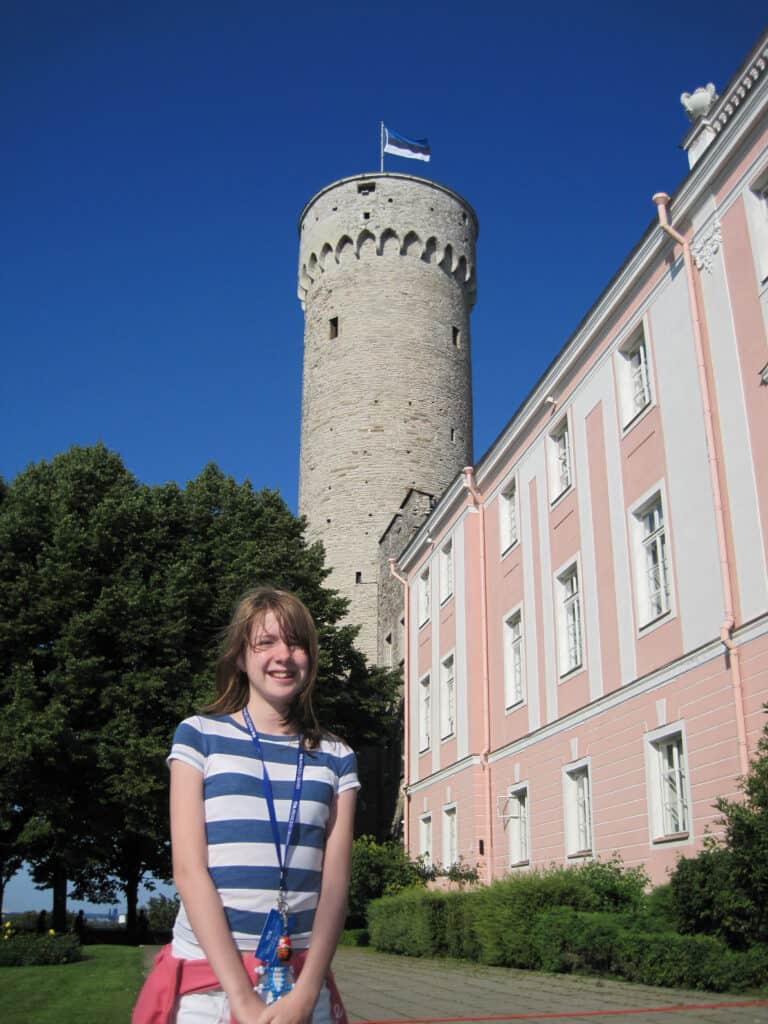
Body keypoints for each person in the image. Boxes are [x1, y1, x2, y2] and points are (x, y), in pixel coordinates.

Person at [133, 587, 359, 1024]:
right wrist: (240, 996)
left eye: (296, 643)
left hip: (299, 983)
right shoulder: (198, 736)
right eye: (266, 642)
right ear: (240, 656)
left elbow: (334, 886)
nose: (284, 655)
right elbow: (189, 870)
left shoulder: (337, 756)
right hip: (210, 986)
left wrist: (307, 992)